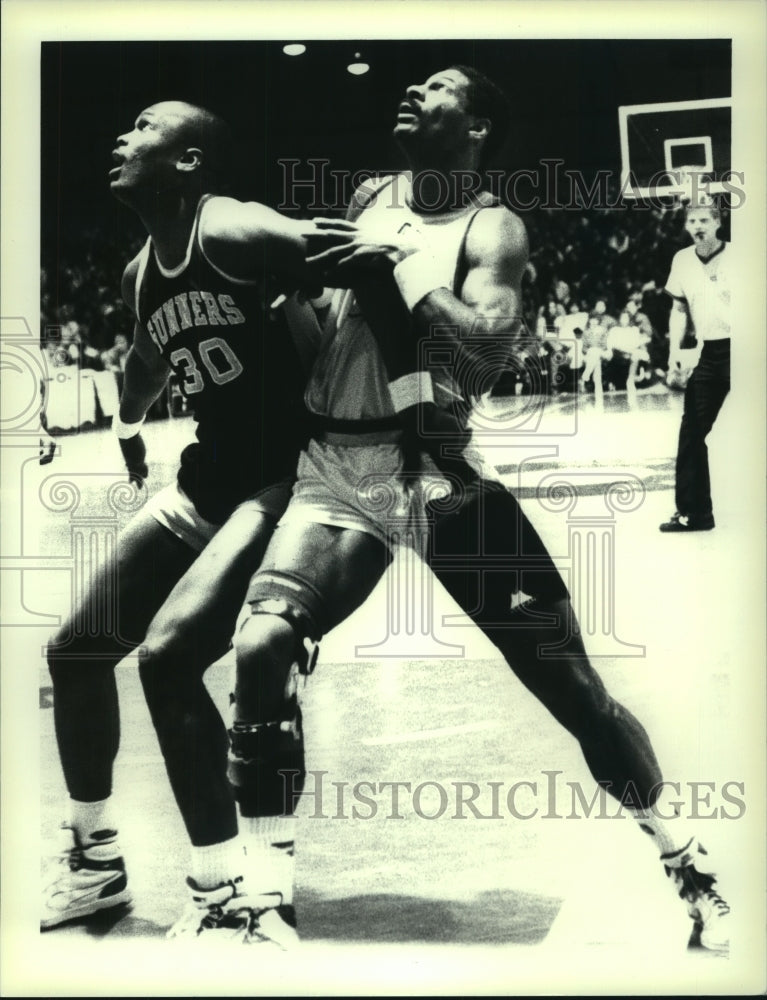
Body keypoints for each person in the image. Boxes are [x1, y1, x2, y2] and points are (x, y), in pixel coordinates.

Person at [224, 66, 730, 952]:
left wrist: (405, 281)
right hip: (335, 469)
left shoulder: (493, 225)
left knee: (573, 690)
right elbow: (326, 324)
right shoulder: (369, 194)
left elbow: (488, 347)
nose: (412, 92)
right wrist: (285, 303)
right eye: (412, 85)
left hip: (434, 471)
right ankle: (265, 901)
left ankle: (683, 856)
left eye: (437, 88)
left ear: (478, 128)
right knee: (262, 641)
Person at [41, 101, 326, 943]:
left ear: (190, 161)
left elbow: (326, 248)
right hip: (206, 483)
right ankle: (95, 864)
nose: (121, 137)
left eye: (143, 126)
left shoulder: (229, 226)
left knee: (169, 660)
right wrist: (127, 424)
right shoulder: (140, 271)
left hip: (280, 485)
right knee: (78, 649)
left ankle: (225, 887)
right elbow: (145, 355)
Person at [659, 200, 731, 532]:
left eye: (704, 219)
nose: (697, 225)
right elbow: (678, 309)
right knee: (692, 431)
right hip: (712, 354)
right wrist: (675, 348)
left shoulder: (740, 256)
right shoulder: (681, 260)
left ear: (718, 222)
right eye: (692, 221)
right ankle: (695, 512)